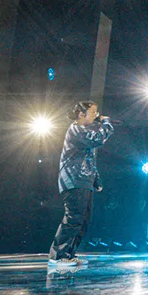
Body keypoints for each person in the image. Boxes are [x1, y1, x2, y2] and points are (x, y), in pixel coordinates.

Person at [49, 101, 113, 271]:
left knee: (84, 220)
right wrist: (106, 123)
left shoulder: (83, 132)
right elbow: (99, 139)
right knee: (73, 218)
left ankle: (69, 254)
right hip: (73, 180)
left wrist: (96, 180)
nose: (95, 115)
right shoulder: (76, 130)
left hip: (84, 181)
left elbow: (89, 160)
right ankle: (58, 255)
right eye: (92, 112)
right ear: (81, 114)